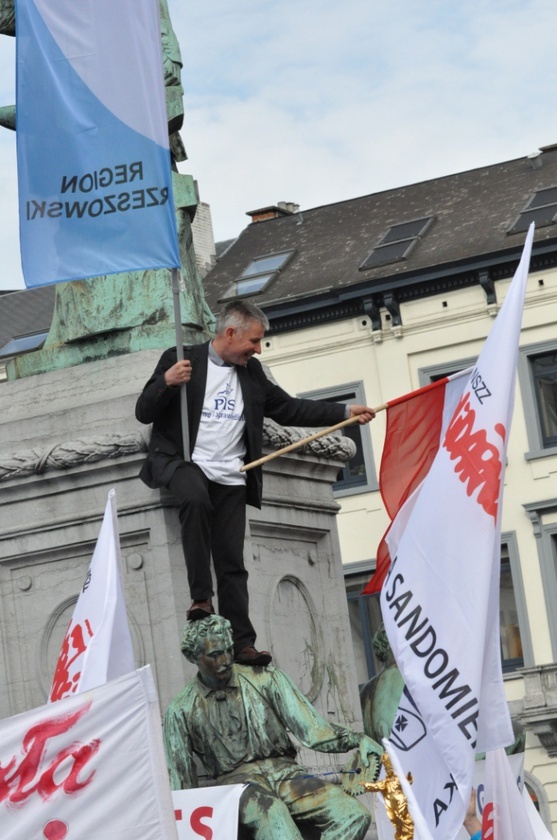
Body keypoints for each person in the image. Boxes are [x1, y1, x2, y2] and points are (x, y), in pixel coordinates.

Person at [136, 300, 375, 666]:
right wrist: (166, 383)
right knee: (195, 499)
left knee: (233, 562)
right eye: (255, 341)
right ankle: (201, 598)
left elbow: (290, 409)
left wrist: (343, 412)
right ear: (230, 333)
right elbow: (144, 412)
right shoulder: (182, 359)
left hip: (231, 474)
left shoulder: (253, 374)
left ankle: (243, 643)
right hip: (183, 463)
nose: (258, 349)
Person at [164, 615, 382, 840]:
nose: (226, 660)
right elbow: (180, 785)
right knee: (274, 815)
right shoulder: (180, 710)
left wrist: (358, 739)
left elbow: (313, 730)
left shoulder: (265, 678)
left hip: (287, 773)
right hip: (238, 786)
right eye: (215, 654)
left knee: (355, 815)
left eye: (229, 650)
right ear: (193, 656)